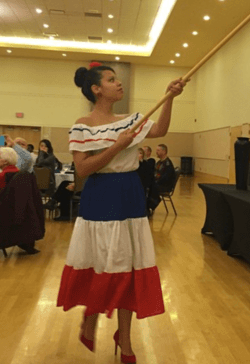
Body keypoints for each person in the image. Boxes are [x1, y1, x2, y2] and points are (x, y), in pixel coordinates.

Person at [56, 62, 185, 362]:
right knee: (102, 264)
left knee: (128, 267)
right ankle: (91, 316)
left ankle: (124, 338)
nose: (119, 83)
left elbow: (161, 129)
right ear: (96, 89)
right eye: (111, 79)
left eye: (118, 78)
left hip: (130, 196)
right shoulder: (82, 125)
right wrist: (117, 146)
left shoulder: (131, 120)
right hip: (100, 198)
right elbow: (83, 168)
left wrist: (170, 97)